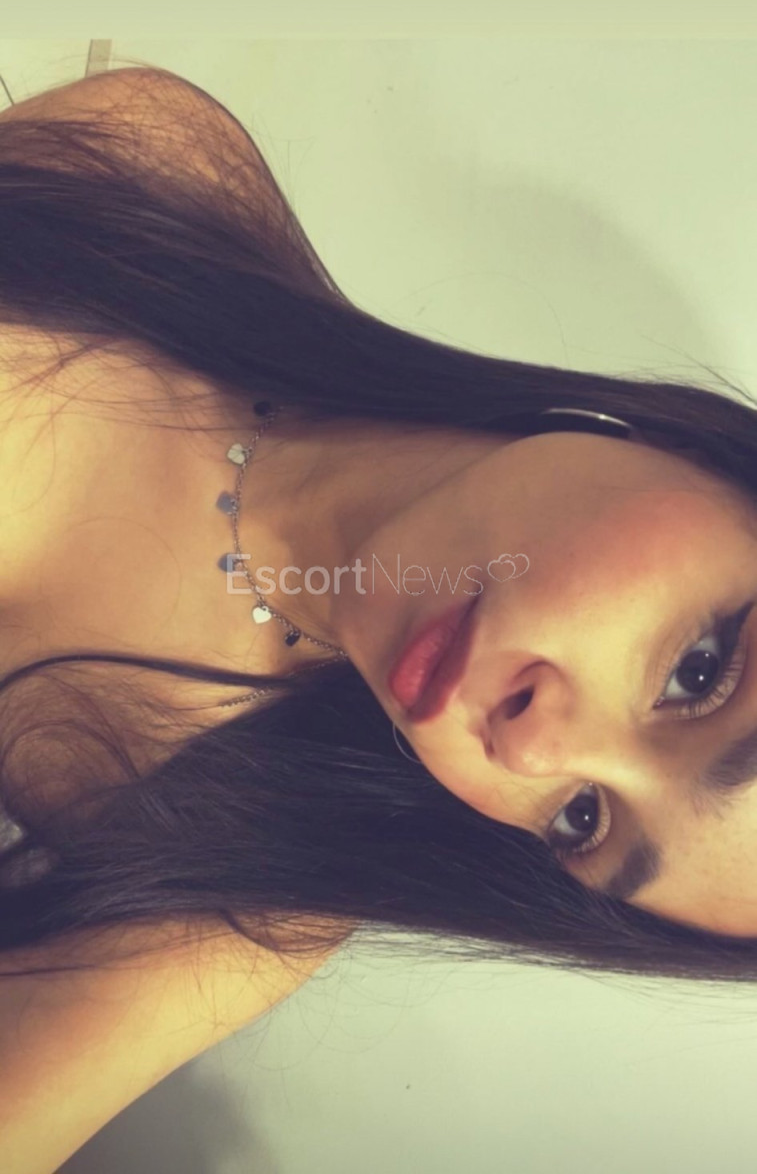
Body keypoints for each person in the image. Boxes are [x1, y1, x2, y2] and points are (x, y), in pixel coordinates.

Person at [1, 60, 757, 1001]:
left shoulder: (243, 894)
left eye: (580, 820)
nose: (532, 754)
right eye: (698, 672)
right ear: (704, 457)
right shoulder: (159, 169)